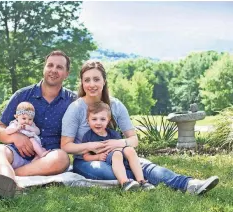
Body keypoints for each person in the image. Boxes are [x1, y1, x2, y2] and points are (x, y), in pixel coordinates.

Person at [61, 60, 219, 195]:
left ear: (104, 81)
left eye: (96, 79)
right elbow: (66, 146)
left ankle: (189, 184)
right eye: (87, 80)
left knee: (146, 165)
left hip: (120, 154)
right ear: (82, 82)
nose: (92, 84)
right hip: (88, 161)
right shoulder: (75, 108)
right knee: (111, 172)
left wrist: (119, 143)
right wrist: (91, 146)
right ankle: (140, 181)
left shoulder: (116, 105)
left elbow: (133, 140)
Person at [0, 50, 76, 198]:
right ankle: (12, 186)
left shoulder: (73, 101)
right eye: (50, 65)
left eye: (59, 67)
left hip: (46, 158)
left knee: (62, 158)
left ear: (67, 73)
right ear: (44, 68)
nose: (53, 70)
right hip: (15, 152)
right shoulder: (22, 95)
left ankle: (3, 177)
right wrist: (16, 137)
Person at [82, 101, 154, 191]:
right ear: (88, 120)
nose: (98, 122)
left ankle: (142, 181)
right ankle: (125, 183)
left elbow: (121, 147)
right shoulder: (88, 136)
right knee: (117, 154)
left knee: (130, 150)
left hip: (122, 158)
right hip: (110, 159)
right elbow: (85, 156)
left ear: (108, 120)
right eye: (94, 119)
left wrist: (122, 148)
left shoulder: (113, 134)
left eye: (102, 119)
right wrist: (98, 156)